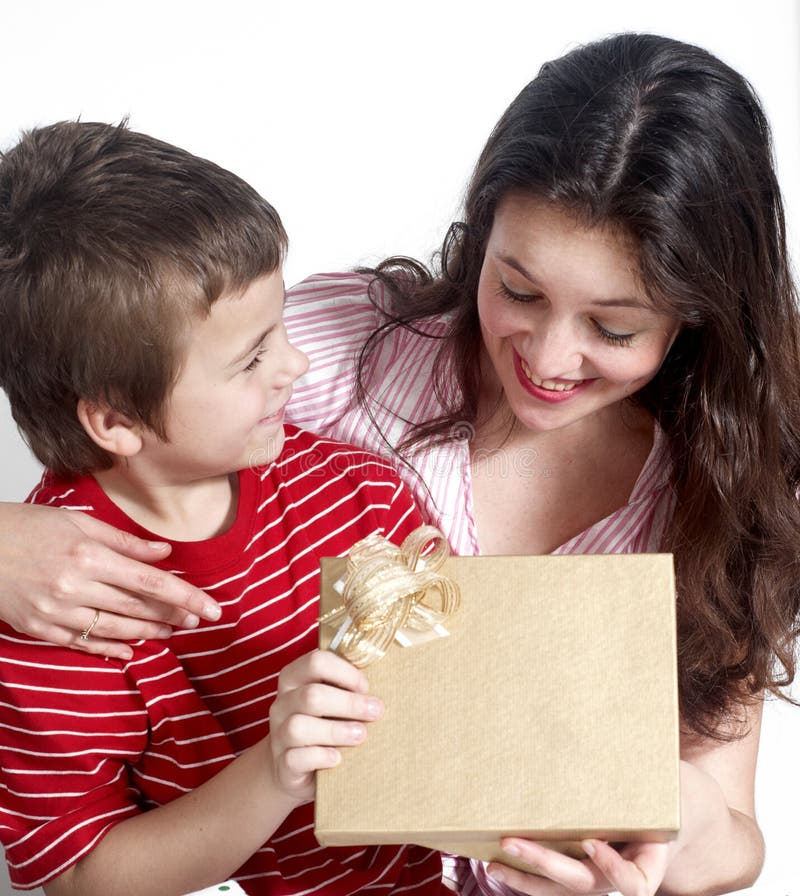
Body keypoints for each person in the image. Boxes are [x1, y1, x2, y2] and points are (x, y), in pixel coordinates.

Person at [0, 31, 798, 896]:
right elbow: (125, 361)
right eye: (519, 290)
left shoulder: (721, 490)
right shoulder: (333, 356)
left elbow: (734, 835)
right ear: (482, 232)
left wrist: (659, 835)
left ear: (699, 314)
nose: (550, 356)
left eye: (614, 327)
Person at [0, 120, 452, 896]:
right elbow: (83, 878)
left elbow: (458, 714)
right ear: (115, 420)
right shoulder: (54, 608)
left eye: (280, 329)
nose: (296, 365)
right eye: (251, 358)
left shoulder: (361, 492)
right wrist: (275, 772)